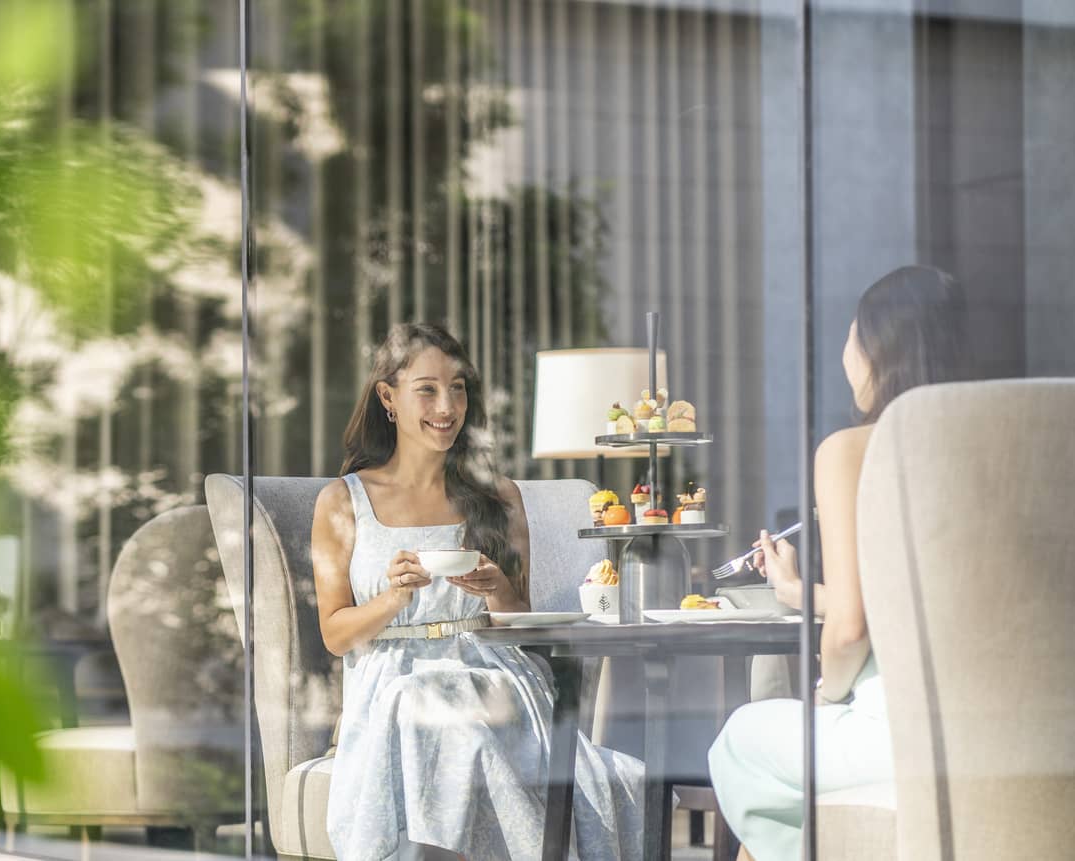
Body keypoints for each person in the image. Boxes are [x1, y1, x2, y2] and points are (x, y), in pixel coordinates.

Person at [311, 322, 647, 861]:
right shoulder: (343, 501)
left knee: (451, 723)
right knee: (422, 707)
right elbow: (334, 634)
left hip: (496, 679)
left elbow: (523, 628)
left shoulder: (499, 496)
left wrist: (497, 593)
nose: (447, 404)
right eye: (427, 388)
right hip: (392, 687)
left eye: (459, 387)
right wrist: (391, 600)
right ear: (387, 397)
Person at [708, 265, 973, 860]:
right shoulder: (984, 444)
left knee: (738, 740)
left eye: (852, 335)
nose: (846, 354)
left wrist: (829, 696)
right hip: (996, 729)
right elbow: (906, 605)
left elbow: (851, 631)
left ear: (876, 349)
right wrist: (803, 593)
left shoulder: (851, 449)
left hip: (896, 732)